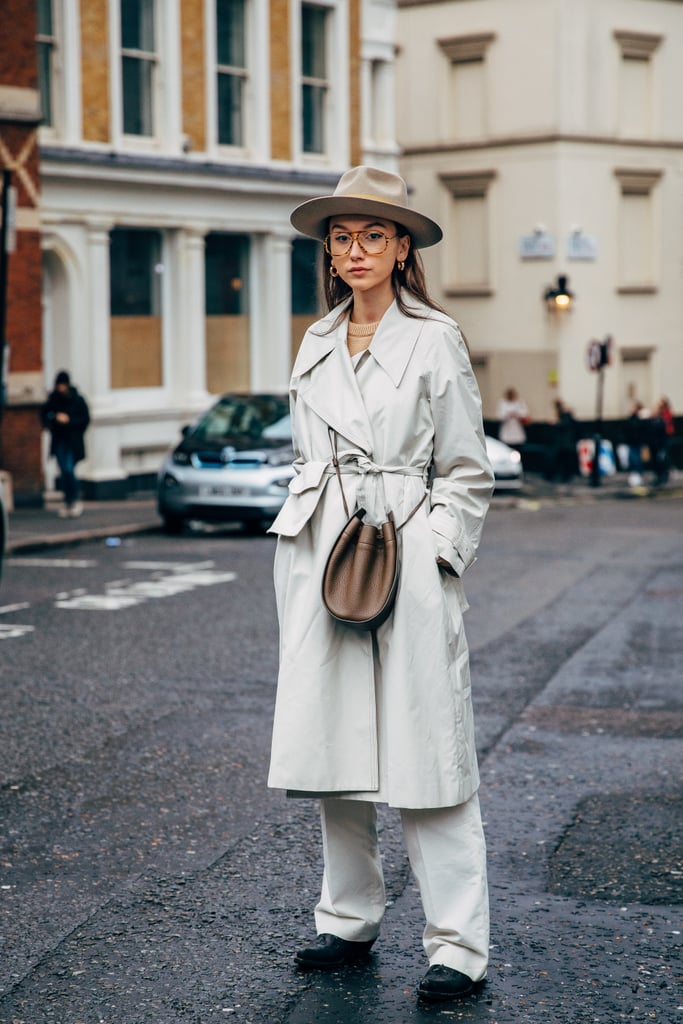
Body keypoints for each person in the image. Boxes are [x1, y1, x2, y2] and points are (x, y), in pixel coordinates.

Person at [267, 166, 494, 1003]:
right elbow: (305, 457)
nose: (354, 251)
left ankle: (458, 945)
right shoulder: (317, 339)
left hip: (405, 549)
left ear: (402, 248)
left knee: (429, 753)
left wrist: (434, 552)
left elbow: (466, 470)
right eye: (341, 237)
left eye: (372, 235)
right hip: (323, 549)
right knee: (336, 750)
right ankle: (346, 919)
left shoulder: (433, 337)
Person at [41, 370, 90, 517]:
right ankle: (68, 500)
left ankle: (73, 500)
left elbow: (84, 419)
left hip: (72, 441)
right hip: (59, 441)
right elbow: (45, 416)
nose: (61, 388)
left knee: (69, 469)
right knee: (64, 471)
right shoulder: (53, 400)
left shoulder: (77, 399)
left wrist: (69, 420)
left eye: (63, 385)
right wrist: (55, 418)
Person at [546, 399, 578, 482]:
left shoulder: (565, 414)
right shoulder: (564, 413)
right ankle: (561, 476)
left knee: (562, 460)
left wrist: (555, 423)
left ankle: (563, 476)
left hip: (564, 443)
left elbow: (564, 425)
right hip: (563, 443)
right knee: (562, 461)